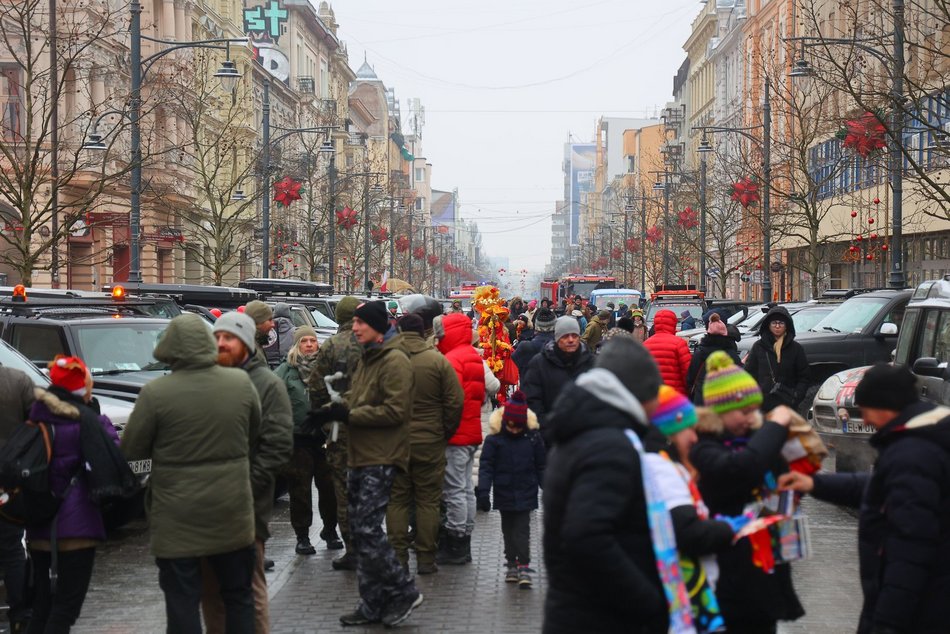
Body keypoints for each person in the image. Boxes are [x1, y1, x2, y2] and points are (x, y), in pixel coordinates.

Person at [780, 363, 950, 634]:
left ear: (885, 406)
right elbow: (882, 488)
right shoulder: (919, 441)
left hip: (921, 610)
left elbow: (909, 554)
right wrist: (814, 483)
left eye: (866, 410)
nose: (866, 420)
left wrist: (885, 623)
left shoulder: (913, 454)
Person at [122, 314, 260, 634]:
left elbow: (132, 452)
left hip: (176, 515)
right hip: (232, 510)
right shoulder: (240, 384)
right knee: (238, 595)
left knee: (182, 599)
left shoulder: (156, 394)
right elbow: (254, 435)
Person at [542, 337, 668, 633]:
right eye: (653, 393)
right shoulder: (609, 445)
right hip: (600, 615)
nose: (657, 404)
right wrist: (647, 600)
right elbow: (587, 536)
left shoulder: (588, 431)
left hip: (581, 610)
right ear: (635, 393)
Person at [309, 301, 422, 628]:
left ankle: (403, 590)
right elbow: (355, 400)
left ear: (376, 325)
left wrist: (348, 415)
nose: (354, 327)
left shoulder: (395, 360)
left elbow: (395, 411)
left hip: (381, 455)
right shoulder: (369, 358)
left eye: (360, 322)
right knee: (360, 531)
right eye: (354, 322)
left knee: (368, 530)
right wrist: (330, 411)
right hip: (360, 453)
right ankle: (371, 603)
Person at [690, 351, 803, 632]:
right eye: (744, 411)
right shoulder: (703, 447)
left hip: (766, 568)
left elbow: (790, 481)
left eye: (755, 410)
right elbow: (741, 469)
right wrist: (775, 427)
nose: (751, 418)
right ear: (719, 411)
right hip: (726, 574)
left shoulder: (757, 440)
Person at [207, 312, 293, 634]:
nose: (221, 344)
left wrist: (246, 487)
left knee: (249, 585)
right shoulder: (211, 378)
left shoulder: (267, 383)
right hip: (210, 504)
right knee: (211, 588)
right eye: (216, 337)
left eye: (228, 338)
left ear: (245, 342)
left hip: (247, 505)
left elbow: (277, 446)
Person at [24, 357, 118, 633]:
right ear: (83, 389)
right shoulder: (91, 423)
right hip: (77, 531)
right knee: (66, 608)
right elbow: (113, 460)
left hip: (39, 527)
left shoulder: (35, 418)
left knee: (43, 605)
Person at [649, 386, 734, 632]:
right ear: (671, 431)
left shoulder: (677, 467)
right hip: (681, 602)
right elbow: (689, 532)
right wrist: (728, 528)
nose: (695, 438)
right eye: (689, 429)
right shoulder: (663, 470)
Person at [386, 314, 463, 575]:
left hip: (395, 441)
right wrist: (442, 432)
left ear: (397, 329)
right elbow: (455, 403)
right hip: (430, 441)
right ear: (424, 332)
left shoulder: (386, 359)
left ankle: (398, 558)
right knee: (428, 500)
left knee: (397, 500)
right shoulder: (437, 361)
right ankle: (426, 559)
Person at [274, 325, 342, 555]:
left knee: (329, 488)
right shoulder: (286, 371)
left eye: (313, 340)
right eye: (304, 341)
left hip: (325, 438)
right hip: (298, 440)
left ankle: (330, 530)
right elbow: (274, 400)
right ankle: (302, 536)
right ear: (297, 345)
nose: (310, 344)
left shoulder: (326, 369)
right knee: (300, 490)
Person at [307, 296, 364, 571]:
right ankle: (373, 542)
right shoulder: (373, 342)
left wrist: (324, 419)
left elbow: (316, 387)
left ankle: (351, 548)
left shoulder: (331, 345)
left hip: (339, 430)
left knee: (343, 489)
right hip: (371, 426)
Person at [476, 390, 546, 589]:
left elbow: (541, 466)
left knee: (522, 530)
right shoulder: (494, 441)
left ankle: (523, 565)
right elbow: (486, 466)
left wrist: (547, 488)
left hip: (526, 490)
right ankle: (511, 564)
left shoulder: (533, 439)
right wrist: (483, 491)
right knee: (508, 530)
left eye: (518, 426)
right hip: (504, 492)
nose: (514, 429)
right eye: (511, 425)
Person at [435, 312, 488, 566]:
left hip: (456, 433)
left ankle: (455, 540)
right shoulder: (472, 355)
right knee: (465, 487)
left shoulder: (453, 359)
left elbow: (449, 399)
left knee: (454, 489)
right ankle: (464, 535)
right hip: (471, 429)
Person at [0, 366, 33, 632]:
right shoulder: (18, 380)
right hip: (9, 477)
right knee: (11, 547)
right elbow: (35, 426)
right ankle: (20, 614)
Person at [522, 316, 595, 433]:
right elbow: (532, 401)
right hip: (550, 436)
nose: (571, 340)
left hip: (585, 436)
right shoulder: (539, 364)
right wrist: (548, 429)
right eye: (565, 336)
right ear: (557, 338)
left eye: (575, 335)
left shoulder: (591, 363)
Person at [744, 306, 809, 412]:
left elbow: (804, 377)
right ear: (768, 325)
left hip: (787, 403)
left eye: (781, 323)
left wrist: (797, 395)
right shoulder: (758, 347)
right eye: (774, 323)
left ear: (787, 326)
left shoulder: (796, 348)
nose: (777, 326)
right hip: (763, 405)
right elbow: (748, 374)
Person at [686, 313, 742, 403]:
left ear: (708, 333)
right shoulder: (731, 354)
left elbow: (691, 377)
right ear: (725, 334)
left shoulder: (700, 352)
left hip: (702, 399)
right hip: (725, 401)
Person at [642, 308, 692, 395]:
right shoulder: (679, 344)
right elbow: (687, 372)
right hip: (675, 395)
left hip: (653, 396)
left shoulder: (645, 345)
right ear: (673, 323)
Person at [511, 307, 556, 376]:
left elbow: (512, 363)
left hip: (528, 384)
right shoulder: (561, 347)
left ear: (537, 326)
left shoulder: (524, 347)